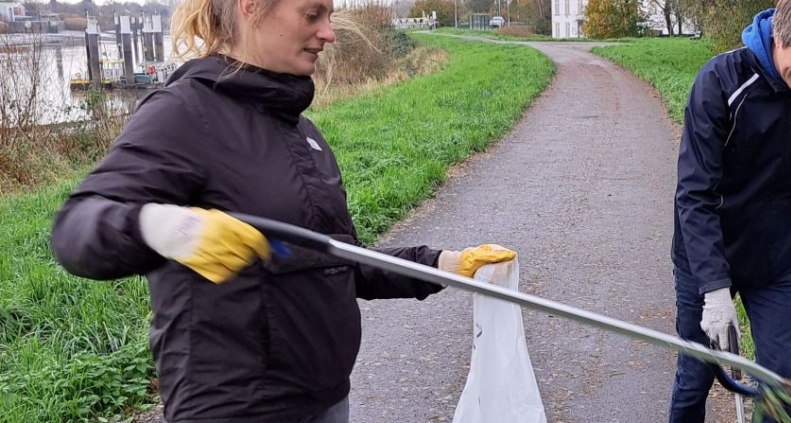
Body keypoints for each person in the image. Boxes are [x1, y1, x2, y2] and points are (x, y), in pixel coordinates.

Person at [47, 0, 515, 420]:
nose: (328, 32)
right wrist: (160, 225)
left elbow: (336, 262)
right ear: (252, 7)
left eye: (329, 16)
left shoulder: (303, 132)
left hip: (326, 401)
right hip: (236, 410)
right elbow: (75, 229)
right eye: (313, 14)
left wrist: (442, 265)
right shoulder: (183, 114)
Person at [668, 0, 791, 421]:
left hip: (774, 260)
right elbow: (694, 193)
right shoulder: (720, 82)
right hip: (705, 258)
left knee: (777, 381)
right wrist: (714, 287)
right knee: (696, 373)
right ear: (781, 35)